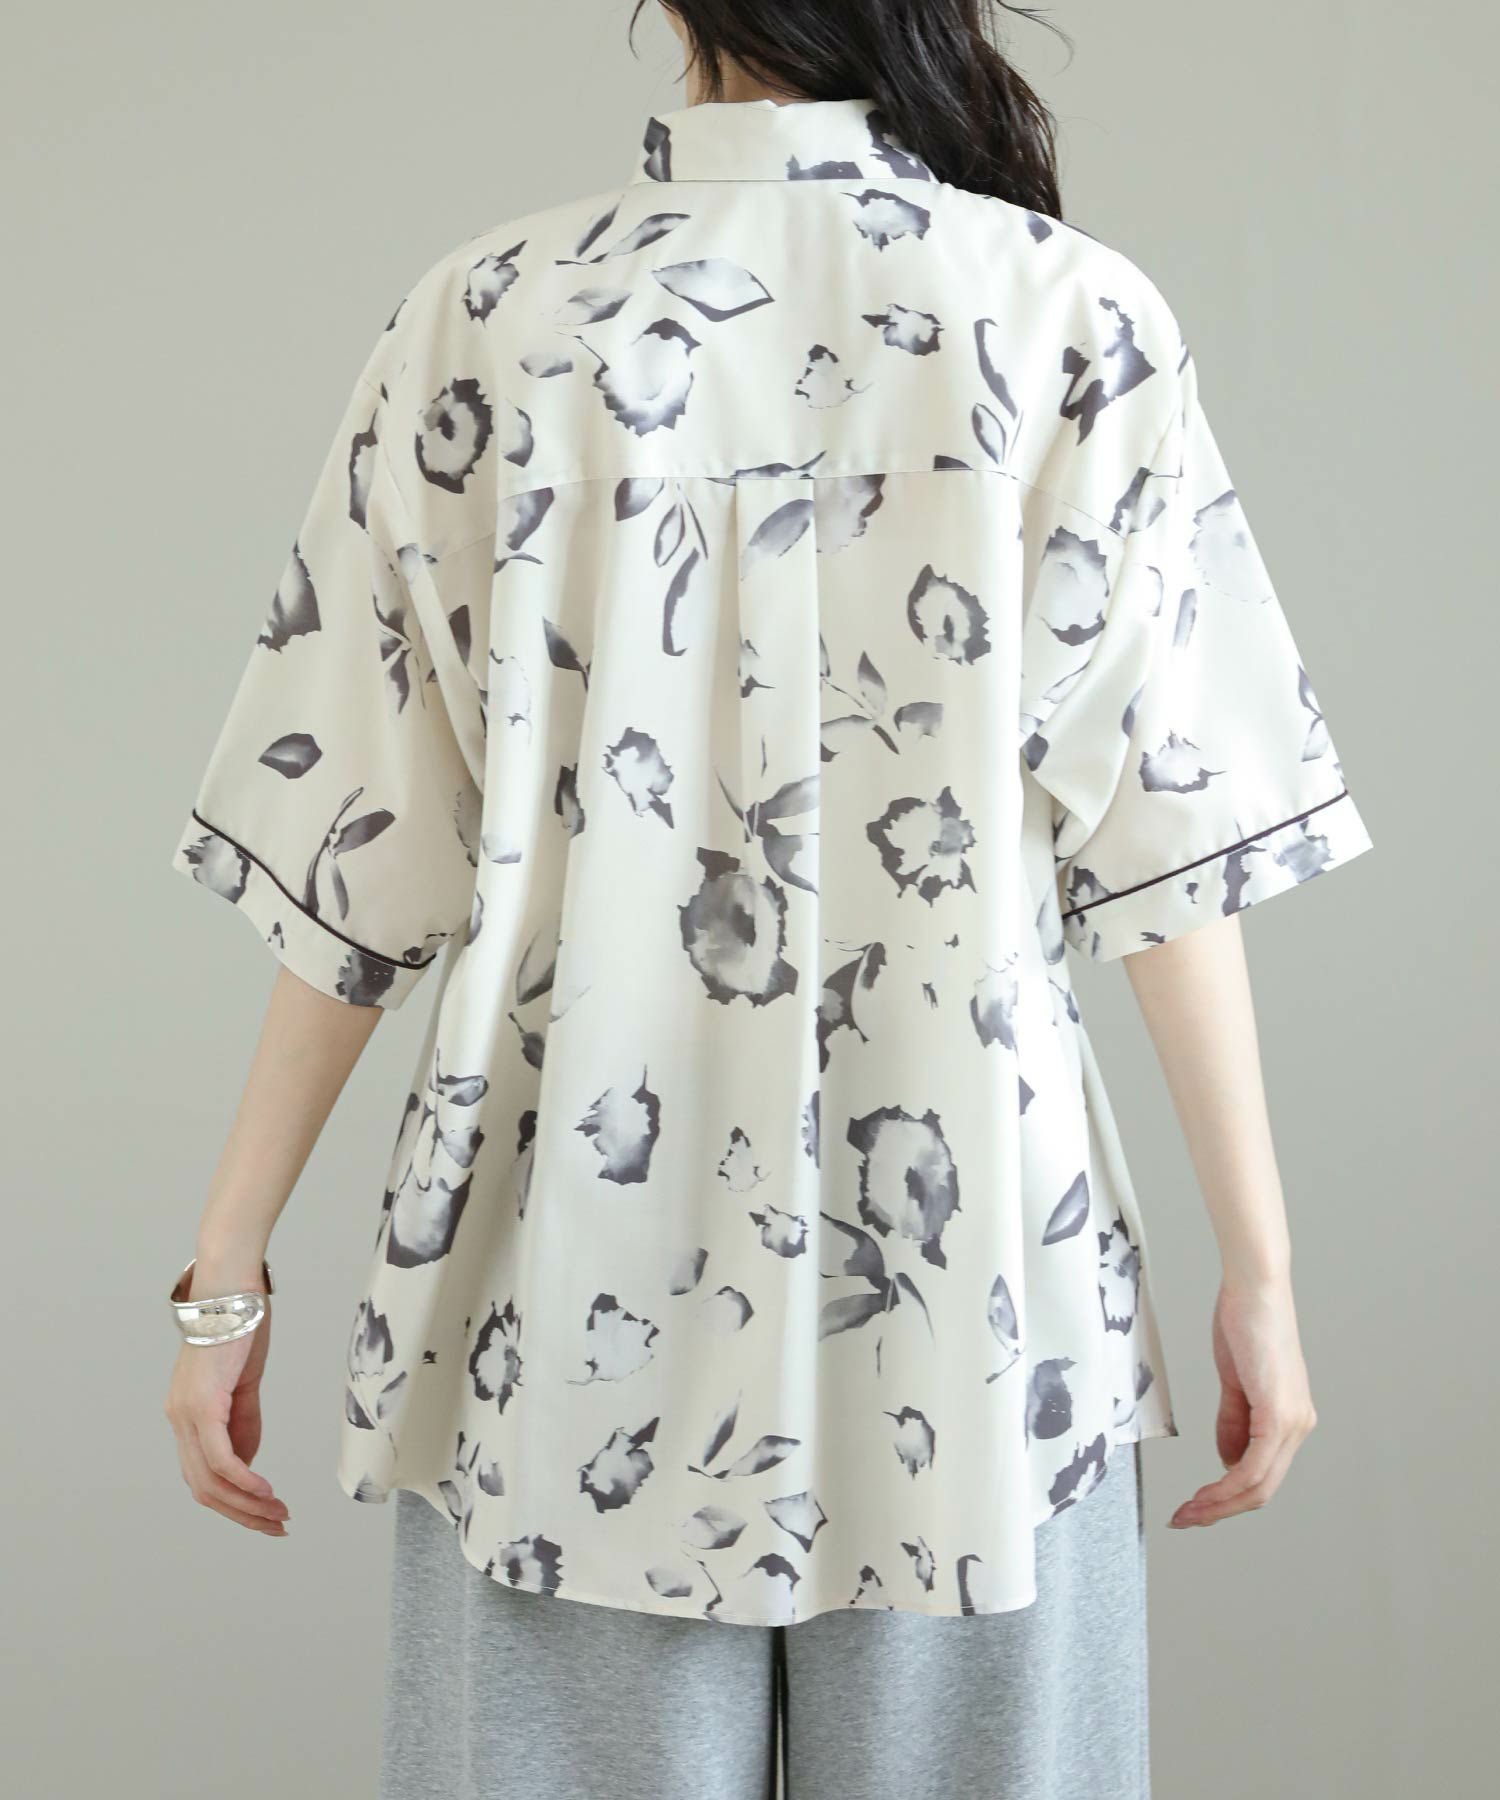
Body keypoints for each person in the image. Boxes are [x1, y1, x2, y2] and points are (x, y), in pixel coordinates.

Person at [161, 3, 1375, 1795]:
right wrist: (1258, 1272)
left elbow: (358, 846)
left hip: (567, 1286)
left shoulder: (489, 318)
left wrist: (226, 1272)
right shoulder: (1070, 313)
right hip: (979, 1292)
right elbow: (1168, 843)